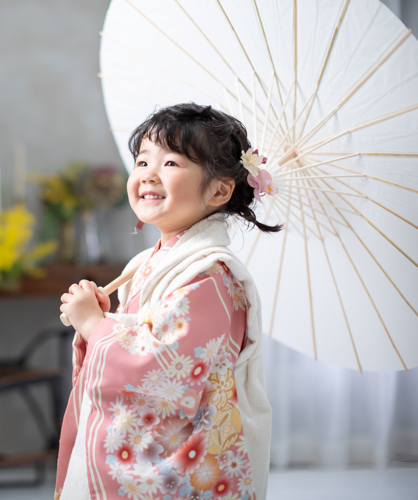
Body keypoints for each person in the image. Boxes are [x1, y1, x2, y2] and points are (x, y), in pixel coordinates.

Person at [55, 103, 281, 500]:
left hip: (189, 457)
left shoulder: (211, 276)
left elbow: (163, 366)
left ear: (219, 190)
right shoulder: (150, 262)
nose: (148, 174)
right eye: (142, 161)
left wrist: (93, 324)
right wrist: (108, 318)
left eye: (171, 163)